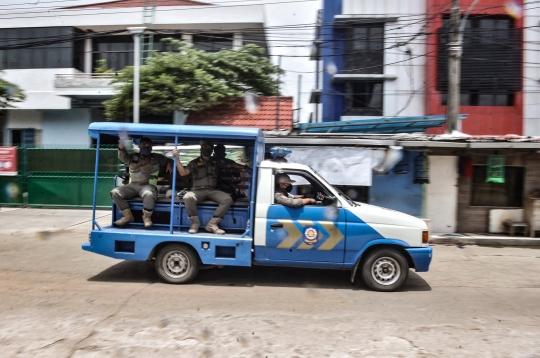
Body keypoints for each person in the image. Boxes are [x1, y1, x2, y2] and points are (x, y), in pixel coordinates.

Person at [172, 140, 252, 235]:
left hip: (212, 190)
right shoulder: (195, 163)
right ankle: (195, 223)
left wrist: (245, 167)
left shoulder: (216, 161)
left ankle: (212, 224)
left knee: (227, 199)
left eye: (209, 147)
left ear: (212, 149)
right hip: (198, 190)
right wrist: (176, 159)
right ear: (201, 149)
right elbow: (183, 172)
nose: (207, 149)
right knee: (188, 197)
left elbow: (230, 164)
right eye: (205, 147)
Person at [111, 136, 173, 228]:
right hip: (132, 186)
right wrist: (122, 140)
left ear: (151, 147)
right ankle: (127, 216)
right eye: (144, 145)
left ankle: (147, 217)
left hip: (147, 186)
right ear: (139, 146)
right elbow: (121, 153)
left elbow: (170, 160)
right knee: (115, 192)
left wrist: (170, 163)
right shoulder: (132, 156)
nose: (146, 147)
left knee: (149, 194)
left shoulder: (157, 158)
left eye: (148, 145)